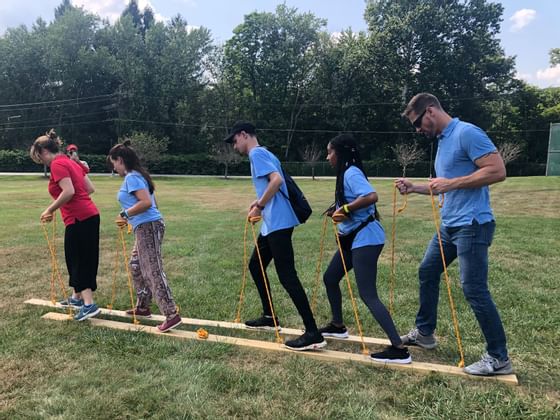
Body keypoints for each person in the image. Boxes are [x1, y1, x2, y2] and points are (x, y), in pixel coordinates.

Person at [397, 92, 512, 376]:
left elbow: (497, 171)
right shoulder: (443, 141)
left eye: (418, 123)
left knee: (473, 288)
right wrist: (415, 188)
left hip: (472, 225)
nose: (418, 130)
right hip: (449, 226)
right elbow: (442, 185)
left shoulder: (467, 133)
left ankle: (499, 357)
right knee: (427, 270)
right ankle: (425, 333)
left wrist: (453, 183)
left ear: (431, 111)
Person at [225, 121, 326, 351]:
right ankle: (270, 316)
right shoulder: (265, 153)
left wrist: (259, 206)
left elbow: (277, 181)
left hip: (278, 222)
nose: (234, 146)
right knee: (255, 265)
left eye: (234, 140)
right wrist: (259, 201)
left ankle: (313, 332)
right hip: (272, 224)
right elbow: (274, 183)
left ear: (244, 135)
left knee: (287, 276)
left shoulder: (257, 153)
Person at [319, 134, 411, 363]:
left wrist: (347, 209)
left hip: (366, 239)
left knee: (367, 294)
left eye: (330, 152)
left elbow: (371, 196)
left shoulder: (351, 172)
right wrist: (338, 209)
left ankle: (399, 349)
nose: (327, 156)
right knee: (330, 278)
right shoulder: (344, 174)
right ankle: (338, 325)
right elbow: (350, 202)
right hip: (352, 238)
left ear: (339, 153)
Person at [108, 141, 182, 333]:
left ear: (121, 160)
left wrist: (126, 215)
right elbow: (152, 202)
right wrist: (132, 219)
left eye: (114, 163)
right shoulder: (138, 176)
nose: (113, 167)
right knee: (136, 266)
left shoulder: (132, 177)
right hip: (144, 226)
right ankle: (143, 307)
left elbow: (147, 203)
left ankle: (171, 314)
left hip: (148, 227)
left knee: (152, 270)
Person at [30, 129, 101, 321]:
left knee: (78, 259)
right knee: (82, 256)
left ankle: (89, 304)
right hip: (90, 215)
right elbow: (89, 189)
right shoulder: (70, 162)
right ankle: (77, 298)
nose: (41, 161)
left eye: (39, 157)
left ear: (44, 151)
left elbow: (68, 191)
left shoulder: (57, 165)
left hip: (79, 219)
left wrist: (50, 209)